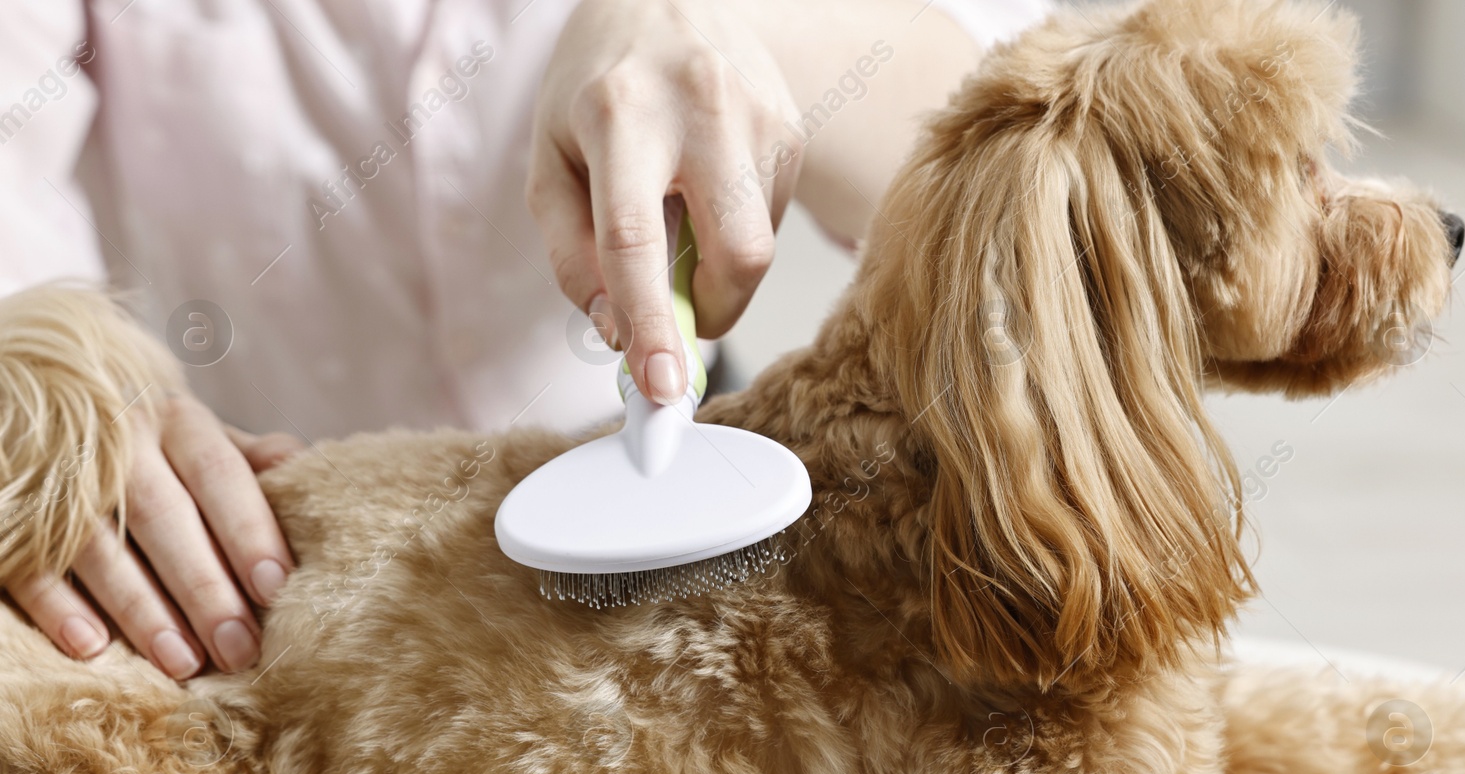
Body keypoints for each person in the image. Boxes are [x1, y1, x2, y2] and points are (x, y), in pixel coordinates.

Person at [0, 0, 1048, 679]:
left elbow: (1025, 169)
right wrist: (51, 410)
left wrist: (733, 25)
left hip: (669, 491)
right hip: (250, 549)